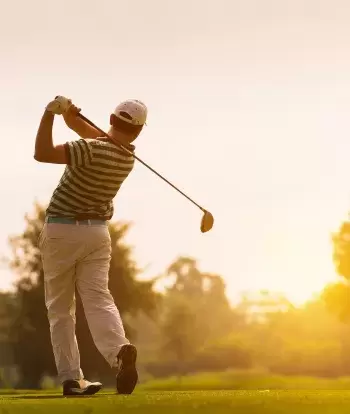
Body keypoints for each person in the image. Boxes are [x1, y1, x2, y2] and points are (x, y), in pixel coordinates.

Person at [34, 95, 147, 396]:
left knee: (60, 308)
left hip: (61, 230)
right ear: (137, 132)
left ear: (111, 120)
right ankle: (119, 350)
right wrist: (70, 116)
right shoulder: (126, 157)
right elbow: (92, 135)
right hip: (97, 234)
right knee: (99, 299)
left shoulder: (88, 150)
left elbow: (42, 153)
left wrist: (49, 114)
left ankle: (72, 378)